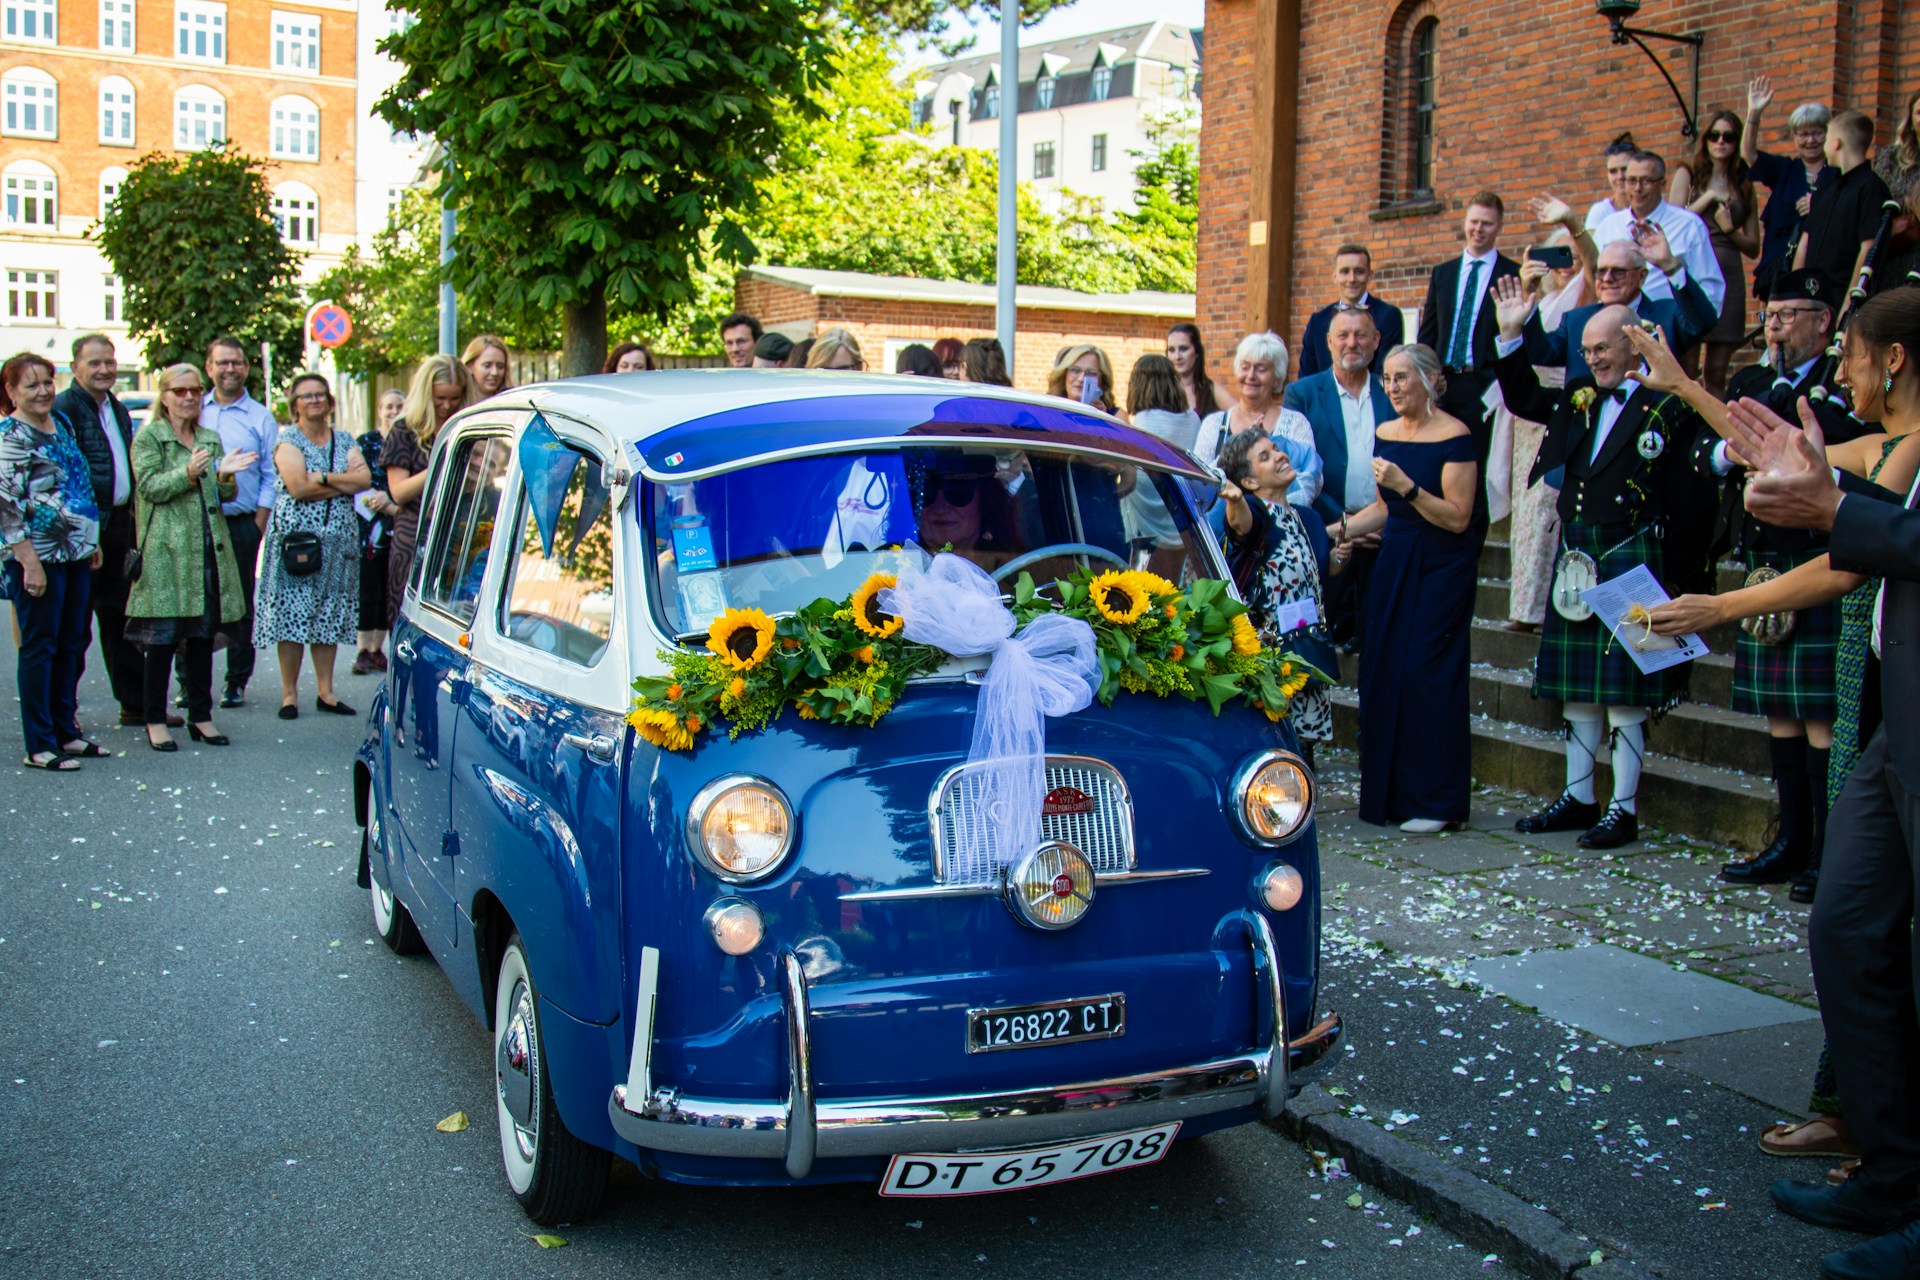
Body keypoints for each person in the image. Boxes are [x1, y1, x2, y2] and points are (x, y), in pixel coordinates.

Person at [1724, 288, 1920, 1280]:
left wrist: (1834, 509)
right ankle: (1893, 1168)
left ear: (1891, 358)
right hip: (1896, 727)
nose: (1839, 377)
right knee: (1847, 926)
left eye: (1848, 356)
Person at [1629, 275, 1864, 892]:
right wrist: (1721, 448)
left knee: (1819, 718)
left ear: (1825, 321)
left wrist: (1694, 396)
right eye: (1773, 313)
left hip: (1821, 556)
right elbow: (1715, 452)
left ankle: (1826, 852)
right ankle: (1790, 839)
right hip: (1763, 556)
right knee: (1779, 715)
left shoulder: (1833, 392)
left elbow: (1789, 451)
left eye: (1792, 315)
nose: (1778, 326)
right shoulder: (1754, 383)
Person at [1491, 285, 1713, 849]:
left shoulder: (1668, 405)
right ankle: (1579, 796)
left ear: (1634, 343)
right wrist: (1513, 334)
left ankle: (1624, 808)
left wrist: (1682, 577)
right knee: (1581, 692)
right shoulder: (1581, 398)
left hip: (1636, 555)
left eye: (1603, 348)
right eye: (1586, 350)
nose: (1593, 359)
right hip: (1579, 559)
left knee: (1626, 693)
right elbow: (1523, 399)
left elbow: (1691, 495)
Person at [1339, 344, 1479, 832]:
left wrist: (1409, 488)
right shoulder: (1385, 433)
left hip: (1442, 564)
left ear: (1430, 379)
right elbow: (1384, 509)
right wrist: (1340, 532)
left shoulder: (1456, 437)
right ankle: (1389, 795)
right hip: (1396, 557)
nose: (1393, 388)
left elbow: (1458, 518)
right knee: (1384, 670)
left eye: (1402, 378)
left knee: (1427, 672)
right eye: (1388, 380)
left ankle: (1437, 802)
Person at [125, 363, 254, 752]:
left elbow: (222, 497)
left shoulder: (208, 437)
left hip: (207, 553)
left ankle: (201, 716)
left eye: (195, 391)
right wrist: (190, 472)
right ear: (163, 396)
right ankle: (154, 719)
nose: (188, 398)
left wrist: (225, 476)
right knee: (162, 642)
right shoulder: (150, 438)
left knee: (201, 640)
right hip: (166, 556)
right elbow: (150, 488)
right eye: (179, 391)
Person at [0, 352, 103, 770]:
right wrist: (29, 563)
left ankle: (67, 731)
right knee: (40, 647)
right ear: (10, 392)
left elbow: (77, 481)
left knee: (72, 641)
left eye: (47, 382)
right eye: (31, 384)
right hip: (38, 555)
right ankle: (40, 744)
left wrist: (91, 540)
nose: (43, 391)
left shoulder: (57, 424)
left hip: (75, 551)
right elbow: (6, 507)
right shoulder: (10, 436)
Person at [53, 334, 155, 727]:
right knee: (74, 628)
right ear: (76, 366)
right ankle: (63, 713)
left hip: (118, 528)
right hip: (83, 531)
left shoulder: (115, 406)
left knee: (122, 621)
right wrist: (85, 532)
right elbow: (66, 476)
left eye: (109, 362)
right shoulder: (65, 409)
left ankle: (135, 703)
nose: (104, 370)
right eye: (94, 363)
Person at [255, 373, 369, 720]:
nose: (315, 401)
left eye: (320, 395)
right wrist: (339, 483)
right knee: (292, 614)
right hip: (296, 542)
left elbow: (363, 480)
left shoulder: (345, 438)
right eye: (306, 396)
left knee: (328, 614)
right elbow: (297, 487)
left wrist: (320, 477)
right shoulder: (288, 440)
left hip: (338, 543)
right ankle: (289, 695)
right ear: (295, 405)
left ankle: (326, 691)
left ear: (330, 402)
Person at [1283, 304, 1393, 648]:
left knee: (1379, 638)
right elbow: (1299, 467)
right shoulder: (1302, 394)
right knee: (1319, 637)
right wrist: (1348, 522)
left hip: (1384, 534)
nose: (1352, 343)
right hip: (1327, 528)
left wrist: (1376, 519)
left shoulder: (1391, 391)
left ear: (1375, 340)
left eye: (1361, 335)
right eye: (1343, 335)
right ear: (1329, 341)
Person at [1218, 428, 1333, 757]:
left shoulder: (1303, 516)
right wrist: (1235, 500)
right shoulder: (1255, 511)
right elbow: (1241, 527)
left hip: (1306, 649)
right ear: (1250, 482)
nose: (1280, 456)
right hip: (1271, 661)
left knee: (1305, 754)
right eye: (1265, 456)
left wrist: (1339, 558)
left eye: (1276, 449)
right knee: (1277, 753)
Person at [1417, 192, 1519, 530]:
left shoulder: (1510, 273)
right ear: (1465, 222)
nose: (1478, 229)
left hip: (1483, 385)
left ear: (1499, 227)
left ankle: (1470, 540)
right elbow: (1428, 332)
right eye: (1473, 221)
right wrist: (1425, 376)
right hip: (1443, 382)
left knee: (1473, 466)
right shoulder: (1443, 273)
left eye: (1486, 223)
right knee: (1436, 460)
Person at [1509, 224, 1719, 381]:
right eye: (1601, 271)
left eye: (1618, 271)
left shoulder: (1666, 314)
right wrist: (1529, 293)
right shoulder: (1576, 320)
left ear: (1642, 276)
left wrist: (1671, 266)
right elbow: (1542, 353)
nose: (1607, 278)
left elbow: (1704, 322)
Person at [1504, 232, 1586, 632]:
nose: (1561, 264)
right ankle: (1523, 605)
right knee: (1526, 509)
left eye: (1568, 254)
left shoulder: (1582, 296)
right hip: (1528, 412)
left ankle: (1540, 607)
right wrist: (1529, 287)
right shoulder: (1543, 297)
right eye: (1554, 255)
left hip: (1560, 408)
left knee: (1545, 510)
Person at [198, 336, 279, 708]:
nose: (230, 369)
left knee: (240, 603)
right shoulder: (195, 409)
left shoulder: (260, 415)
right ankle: (191, 681)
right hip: (198, 522)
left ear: (246, 368)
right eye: (222, 362)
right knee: (196, 601)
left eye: (236, 362)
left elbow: (269, 473)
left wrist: (259, 523)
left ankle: (236, 681)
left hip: (242, 523)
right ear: (209, 367)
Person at [1669, 110, 1761, 398]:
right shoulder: (1688, 173)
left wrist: (1729, 229)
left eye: (1729, 137)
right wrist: (1708, 197)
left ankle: (1711, 433)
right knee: (1685, 366)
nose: (1721, 142)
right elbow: (1672, 220)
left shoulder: (1745, 184)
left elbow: (1753, 245)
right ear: (1705, 139)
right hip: (1692, 271)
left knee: (1717, 370)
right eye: (1714, 135)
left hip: (1728, 272)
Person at [383, 355, 477, 629]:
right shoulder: (404, 429)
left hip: (460, 536)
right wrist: (444, 462)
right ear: (426, 393)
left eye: (454, 398)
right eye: (440, 398)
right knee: (408, 624)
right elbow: (398, 492)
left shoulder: (467, 426)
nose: (447, 406)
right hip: (414, 537)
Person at [1592, 151, 1728, 315]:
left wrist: (1692, 326)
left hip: (1668, 326)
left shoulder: (1688, 225)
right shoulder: (1608, 226)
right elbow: (1594, 281)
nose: (1637, 188)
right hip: (1614, 326)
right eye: (1631, 181)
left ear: (1663, 184)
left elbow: (1710, 288)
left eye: (1646, 181)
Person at [1196, 333, 1321, 507]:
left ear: (1277, 378)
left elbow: (1310, 485)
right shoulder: (1214, 424)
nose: (1251, 375)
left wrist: (1262, 511)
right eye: (1245, 367)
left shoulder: (1295, 423)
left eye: (1261, 369)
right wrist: (1237, 448)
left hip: (1279, 528)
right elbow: (1197, 482)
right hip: (1223, 529)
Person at [1742, 75, 1833, 296]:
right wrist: (1754, 113)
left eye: (1817, 133)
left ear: (1828, 134)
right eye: (1803, 134)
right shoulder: (1785, 170)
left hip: (1823, 270)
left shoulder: (1837, 173)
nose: (1810, 140)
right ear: (1794, 137)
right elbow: (1749, 155)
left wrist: (1820, 204)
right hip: (1780, 268)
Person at [1795, 109, 1893, 290]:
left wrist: (1850, 301)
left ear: (1836, 143)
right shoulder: (1825, 187)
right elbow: (1806, 239)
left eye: (1826, 140)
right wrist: (1795, 291)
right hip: (1809, 295)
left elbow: (1868, 249)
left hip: (1840, 294)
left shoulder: (1872, 188)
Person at [352, 388, 406, 675]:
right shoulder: (366, 442)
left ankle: (377, 650)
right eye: (388, 406)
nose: (394, 411)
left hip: (399, 522)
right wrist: (377, 502)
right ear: (379, 409)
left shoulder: (410, 440)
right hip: (368, 523)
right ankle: (363, 649)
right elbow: (356, 480)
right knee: (368, 587)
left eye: (399, 406)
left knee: (390, 587)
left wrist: (393, 505)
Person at [1298, 244, 1405, 379]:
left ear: (1369, 275)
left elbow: (1385, 372)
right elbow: (1306, 376)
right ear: (1335, 277)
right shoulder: (1318, 322)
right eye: (1345, 271)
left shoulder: (1388, 316)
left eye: (1359, 271)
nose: (1352, 279)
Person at [1873, 89, 1920, 293]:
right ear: (1910, 120)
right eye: (1919, 113)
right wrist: (1911, 202)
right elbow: (1877, 195)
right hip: (1894, 253)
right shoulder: (1891, 157)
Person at [1048, 344, 1131, 422]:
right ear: (1064, 374)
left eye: (1091, 373)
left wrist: (1103, 420)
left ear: (1103, 380)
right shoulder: (1049, 410)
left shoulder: (1117, 417)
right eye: (1075, 370)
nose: (1081, 379)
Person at [1166, 323, 1229, 417]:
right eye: (1171, 350)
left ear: (1197, 352)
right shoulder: (1161, 390)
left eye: (1183, 349)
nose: (1177, 356)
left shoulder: (1211, 390)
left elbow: (1240, 417)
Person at [1585, 132, 1640, 231]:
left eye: (1625, 169)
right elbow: (1591, 246)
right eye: (1613, 171)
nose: (1620, 176)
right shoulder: (1600, 212)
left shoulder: (1650, 206)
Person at [461, 335, 512, 399]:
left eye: (500, 367)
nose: (495, 372)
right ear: (469, 366)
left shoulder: (512, 399)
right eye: (487, 366)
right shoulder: (456, 402)